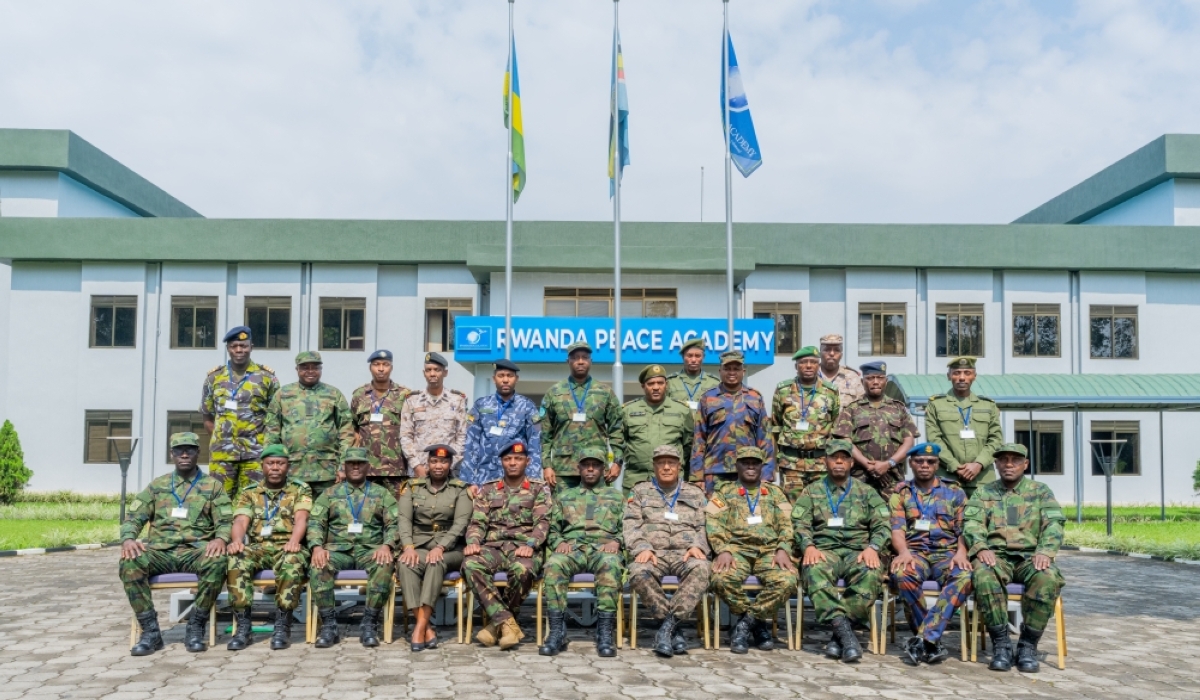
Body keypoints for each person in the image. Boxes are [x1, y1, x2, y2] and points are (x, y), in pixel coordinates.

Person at [119, 432, 231, 656]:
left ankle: (196, 626)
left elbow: (226, 520)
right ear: (172, 454)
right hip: (160, 552)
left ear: (198, 453)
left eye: (190, 449)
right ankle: (150, 632)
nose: (185, 454)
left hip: (195, 551)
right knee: (130, 563)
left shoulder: (212, 486)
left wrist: (220, 539)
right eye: (179, 450)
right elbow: (134, 516)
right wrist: (129, 538)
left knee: (218, 562)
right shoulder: (157, 486)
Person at [964, 443, 1066, 673]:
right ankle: (1001, 644)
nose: (1009, 464)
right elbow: (971, 523)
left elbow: (1054, 524)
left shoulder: (1040, 491)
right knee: (983, 574)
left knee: (1047, 578)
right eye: (1004, 460)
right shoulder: (984, 492)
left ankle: (1028, 645)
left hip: (1031, 557)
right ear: (996, 464)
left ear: (1025, 464)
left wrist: (1045, 551)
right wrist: (980, 547)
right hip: (996, 556)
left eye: (1015, 460)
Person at [793, 439, 889, 663]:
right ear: (825, 461)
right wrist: (808, 546)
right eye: (833, 457)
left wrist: (873, 548)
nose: (839, 461)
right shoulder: (812, 491)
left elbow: (883, 524)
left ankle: (838, 637)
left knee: (871, 573)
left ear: (851, 462)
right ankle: (846, 634)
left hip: (858, 551)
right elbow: (800, 523)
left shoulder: (867, 492)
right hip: (824, 550)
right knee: (813, 570)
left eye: (844, 458)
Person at [707, 446, 798, 655]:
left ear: (761, 467)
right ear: (737, 466)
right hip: (736, 550)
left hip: (769, 551)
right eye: (745, 462)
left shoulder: (775, 493)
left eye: (755, 463)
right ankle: (758, 627)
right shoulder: (724, 492)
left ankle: (746, 623)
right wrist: (723, 549)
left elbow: (787, 523)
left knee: (787, 581)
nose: (750, 466)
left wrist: (784, 547)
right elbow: (712, 522)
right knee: (720, 579)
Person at [462, 439, 552, 650]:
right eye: (508, 459)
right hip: (493, 547)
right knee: (470, 564)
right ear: (501, 461)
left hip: (524, 547)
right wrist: (473, 542)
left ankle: (495, 625)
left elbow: (543, 521)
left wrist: (531, 544)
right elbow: (477, 522)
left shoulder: (539, 489)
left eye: (518, 459)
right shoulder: (488, 489)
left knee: (524, 569)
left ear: (527, 461)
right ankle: (508, 624)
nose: (512, 463)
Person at [888, 442, 972, 666]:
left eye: (930, 462)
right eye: (919, 461)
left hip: (948, 553)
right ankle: (930, 641)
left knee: (964, 576)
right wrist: (903, 551)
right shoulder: (901, 492)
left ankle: (924, 638)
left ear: (937, 464)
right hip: (915, 552)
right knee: (903, 574)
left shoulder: (955, 491)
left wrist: (962, 553)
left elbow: (964, 529)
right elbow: (897, 529)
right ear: (911, 463)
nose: (925, 465)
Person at [624, 445, 711, 658]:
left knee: (702, 569)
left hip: (686, 553)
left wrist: (698, 546)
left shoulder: (695, 493)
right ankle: (673, 628)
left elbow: (706, 526)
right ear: (653, 466)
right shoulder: (640, 491)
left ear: (679, 466)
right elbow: (630, 524)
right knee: (638, 572)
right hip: (654, 553)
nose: (666, 467)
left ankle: (667, 627)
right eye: (661, 463)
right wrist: (642, 548)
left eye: (671, 462)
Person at [307, 447, 398, 649]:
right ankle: (329, 626)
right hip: (338, 551)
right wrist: (316, 547)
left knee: (384, 565)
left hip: (370, 550)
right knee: (319, 565)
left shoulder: (381, 493)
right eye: (351, 463)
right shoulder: (329, 494)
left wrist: (386, 545)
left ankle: (369, 624)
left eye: (360, 463)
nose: (355, 467)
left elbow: (394, 523)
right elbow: (315, 523)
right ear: (344, 466)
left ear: (368, 466)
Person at [539, 448, 626, 658]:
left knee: (611, 565)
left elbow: (630, 527)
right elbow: (551, 528)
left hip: (604, 548)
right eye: (585, 465)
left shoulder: (616, 497)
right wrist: (558, 542)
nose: (590, 469)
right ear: (578, 469)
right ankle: (557, 632)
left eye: (595, 465)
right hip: (572, 548)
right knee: (553, 565)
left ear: (602, 469)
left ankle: (605, 632)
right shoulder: (564, 496)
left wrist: (617, 541)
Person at [225, 444, 312, 651]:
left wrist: (295, 541)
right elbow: (240, 521)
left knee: (292, 561)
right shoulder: (250, 492)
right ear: (262, 466)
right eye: (270, 463)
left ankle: (283, 625)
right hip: (259, 547)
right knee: (236, 558)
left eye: (280, 463)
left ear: (287, 466)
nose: (275, 468)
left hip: (288, 546)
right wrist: (237, 540)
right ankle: (244, 626)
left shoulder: (300, 489)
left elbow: (302, 518)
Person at [396, 444, 472, 652]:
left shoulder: (460, 489)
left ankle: (418, 628)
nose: (439, 465)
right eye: (434, 461)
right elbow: (404, 520)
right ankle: (426, 627)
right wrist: (408, 547)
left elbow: (461, 524)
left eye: (444, 461)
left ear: (450, 464)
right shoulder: (412, 488)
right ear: (428, 463)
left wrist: (441, 547)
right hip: (419, 545)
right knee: (405, 565)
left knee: (435, 562)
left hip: (451, 550)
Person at [200, 325, 279, 499]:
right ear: (228, 348)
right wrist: (220, 439)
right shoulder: (214, 378)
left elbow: (276, 417)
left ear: (251, 347)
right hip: (222, 455)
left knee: (256, 502)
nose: (239, 350)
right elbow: (207, 415)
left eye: (243, 346)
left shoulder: (267, 377)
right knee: (218, 502)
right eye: (234, 346)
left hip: (256, 455)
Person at [264, 351, 354, 496]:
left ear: (321, 369)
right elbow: (272, 432)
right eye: (305, 367)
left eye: (315, 367)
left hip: (327, 471)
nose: (310, 371)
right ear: (297, 369)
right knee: (292, 515)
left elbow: (346, 432)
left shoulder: (333, 394)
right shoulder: (283, 394)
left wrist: (343, 466)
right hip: (292, 471)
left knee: (327, 514)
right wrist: (273, 466)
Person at [539, 341, 624, 490]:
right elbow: (546, 435)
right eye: (575, 358)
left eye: (584, 357)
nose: (580, 361)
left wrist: (617, 462)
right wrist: (546, 466)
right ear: (568, 361)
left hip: (596, 468)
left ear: (591, 361)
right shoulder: (554, 393)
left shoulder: (605, 392)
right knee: (563, 511)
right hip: (563, 470)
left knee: (598, 512)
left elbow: (617, 431)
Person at [692, 350, 774, 495]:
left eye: (736, 369)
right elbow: (699, 439)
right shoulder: (708, 398)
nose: (731, 372)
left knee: (746, 513)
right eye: (727, 368)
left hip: (749, 471)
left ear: (743, 371)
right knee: (714, 514)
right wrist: (697, 476)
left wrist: (766, 473)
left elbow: (765, 438)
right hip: (715, 472)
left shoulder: (755, 397)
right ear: (720, 371)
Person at [832, 361, 919, 496]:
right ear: (862, 381)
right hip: (860, 478)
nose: (875, 382)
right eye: (870, 378)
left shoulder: (899, 408)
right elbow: (845, 441)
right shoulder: (852, 409)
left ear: (886, 381)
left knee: (894, 516)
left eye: (879, 378)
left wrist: (888, 464)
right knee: (859, 515)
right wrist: (869, 465)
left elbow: (909, 442)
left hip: (892, 478)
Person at [924, 357, 1004, 497]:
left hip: (982, 478)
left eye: (967, 373)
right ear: (949, 376)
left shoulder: (988, 405)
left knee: (985, 517)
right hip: (947, 477)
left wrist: (978, 464)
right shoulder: (936, 405)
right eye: (956, 373)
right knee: (945, 517)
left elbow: (996, 439)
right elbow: (934, 440)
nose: (962, 377)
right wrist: (955, 466)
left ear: (974, 376)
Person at [459, 359, 542, 493]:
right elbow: (470, 443)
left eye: (509, 376)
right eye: (501, 375)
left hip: (516, 478)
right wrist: (470, 480)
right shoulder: (481, 405)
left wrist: (532, 480)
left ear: (516, 379)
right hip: (484, 478)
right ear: (494, 379)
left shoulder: (527, 406)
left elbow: (535, 445)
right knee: (483, 513)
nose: (505, 380)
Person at [771, 345, 840, 501]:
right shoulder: (783, 390)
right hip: (791, 464)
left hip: (820, 464)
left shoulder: (831, 392)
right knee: (792, 510)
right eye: (803, 362)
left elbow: (835, 427)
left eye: (813, 362)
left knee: (821, 507)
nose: (808, 365)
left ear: (819, 365)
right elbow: (775, 426)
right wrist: (772, 462)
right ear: (796, 366)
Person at [349, 349, 413, 495]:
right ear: (370, 368)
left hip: (396, 470)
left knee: (396, 512)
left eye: (386, 364)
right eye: (376, 364)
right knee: (367, 512)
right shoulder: (359, 394)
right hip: (366, 469)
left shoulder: (404, 394)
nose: (381, 368)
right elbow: (353, 429)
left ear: (392, 367)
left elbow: (412, 429)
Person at [621, 364, 694, 490]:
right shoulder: (628, 410)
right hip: (636, 479)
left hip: (672, 481)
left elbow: (689, 445)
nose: (656, 387)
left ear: (666, 384)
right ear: (643, 386)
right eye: (651, 383)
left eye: (660, 383)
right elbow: (619, 442)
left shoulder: (682, 410)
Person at [400, 352, 468, 479]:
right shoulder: (412, 400)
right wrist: (416, 465)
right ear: (424, 373)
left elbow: (462, 436)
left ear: (445, 373)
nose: (432, 374)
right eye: (428, 370)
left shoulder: (457, 400)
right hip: (420, 471)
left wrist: (450, 465)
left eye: (437, 370)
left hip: (449, 471)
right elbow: (406, 436)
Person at [666, 337, 720, 409]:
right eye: (689, 356)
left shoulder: (714, 382)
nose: (694, 360)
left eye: (697, 356)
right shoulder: (670, 382)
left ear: (703, 357)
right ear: (683, 357)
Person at [817, 333, 865, 411]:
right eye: (827, 349)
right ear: (820, 354)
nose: (832, 353)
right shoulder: (810, 376)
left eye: (836, 350)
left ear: (841, 355)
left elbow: (861, 408)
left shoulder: (853, 377)